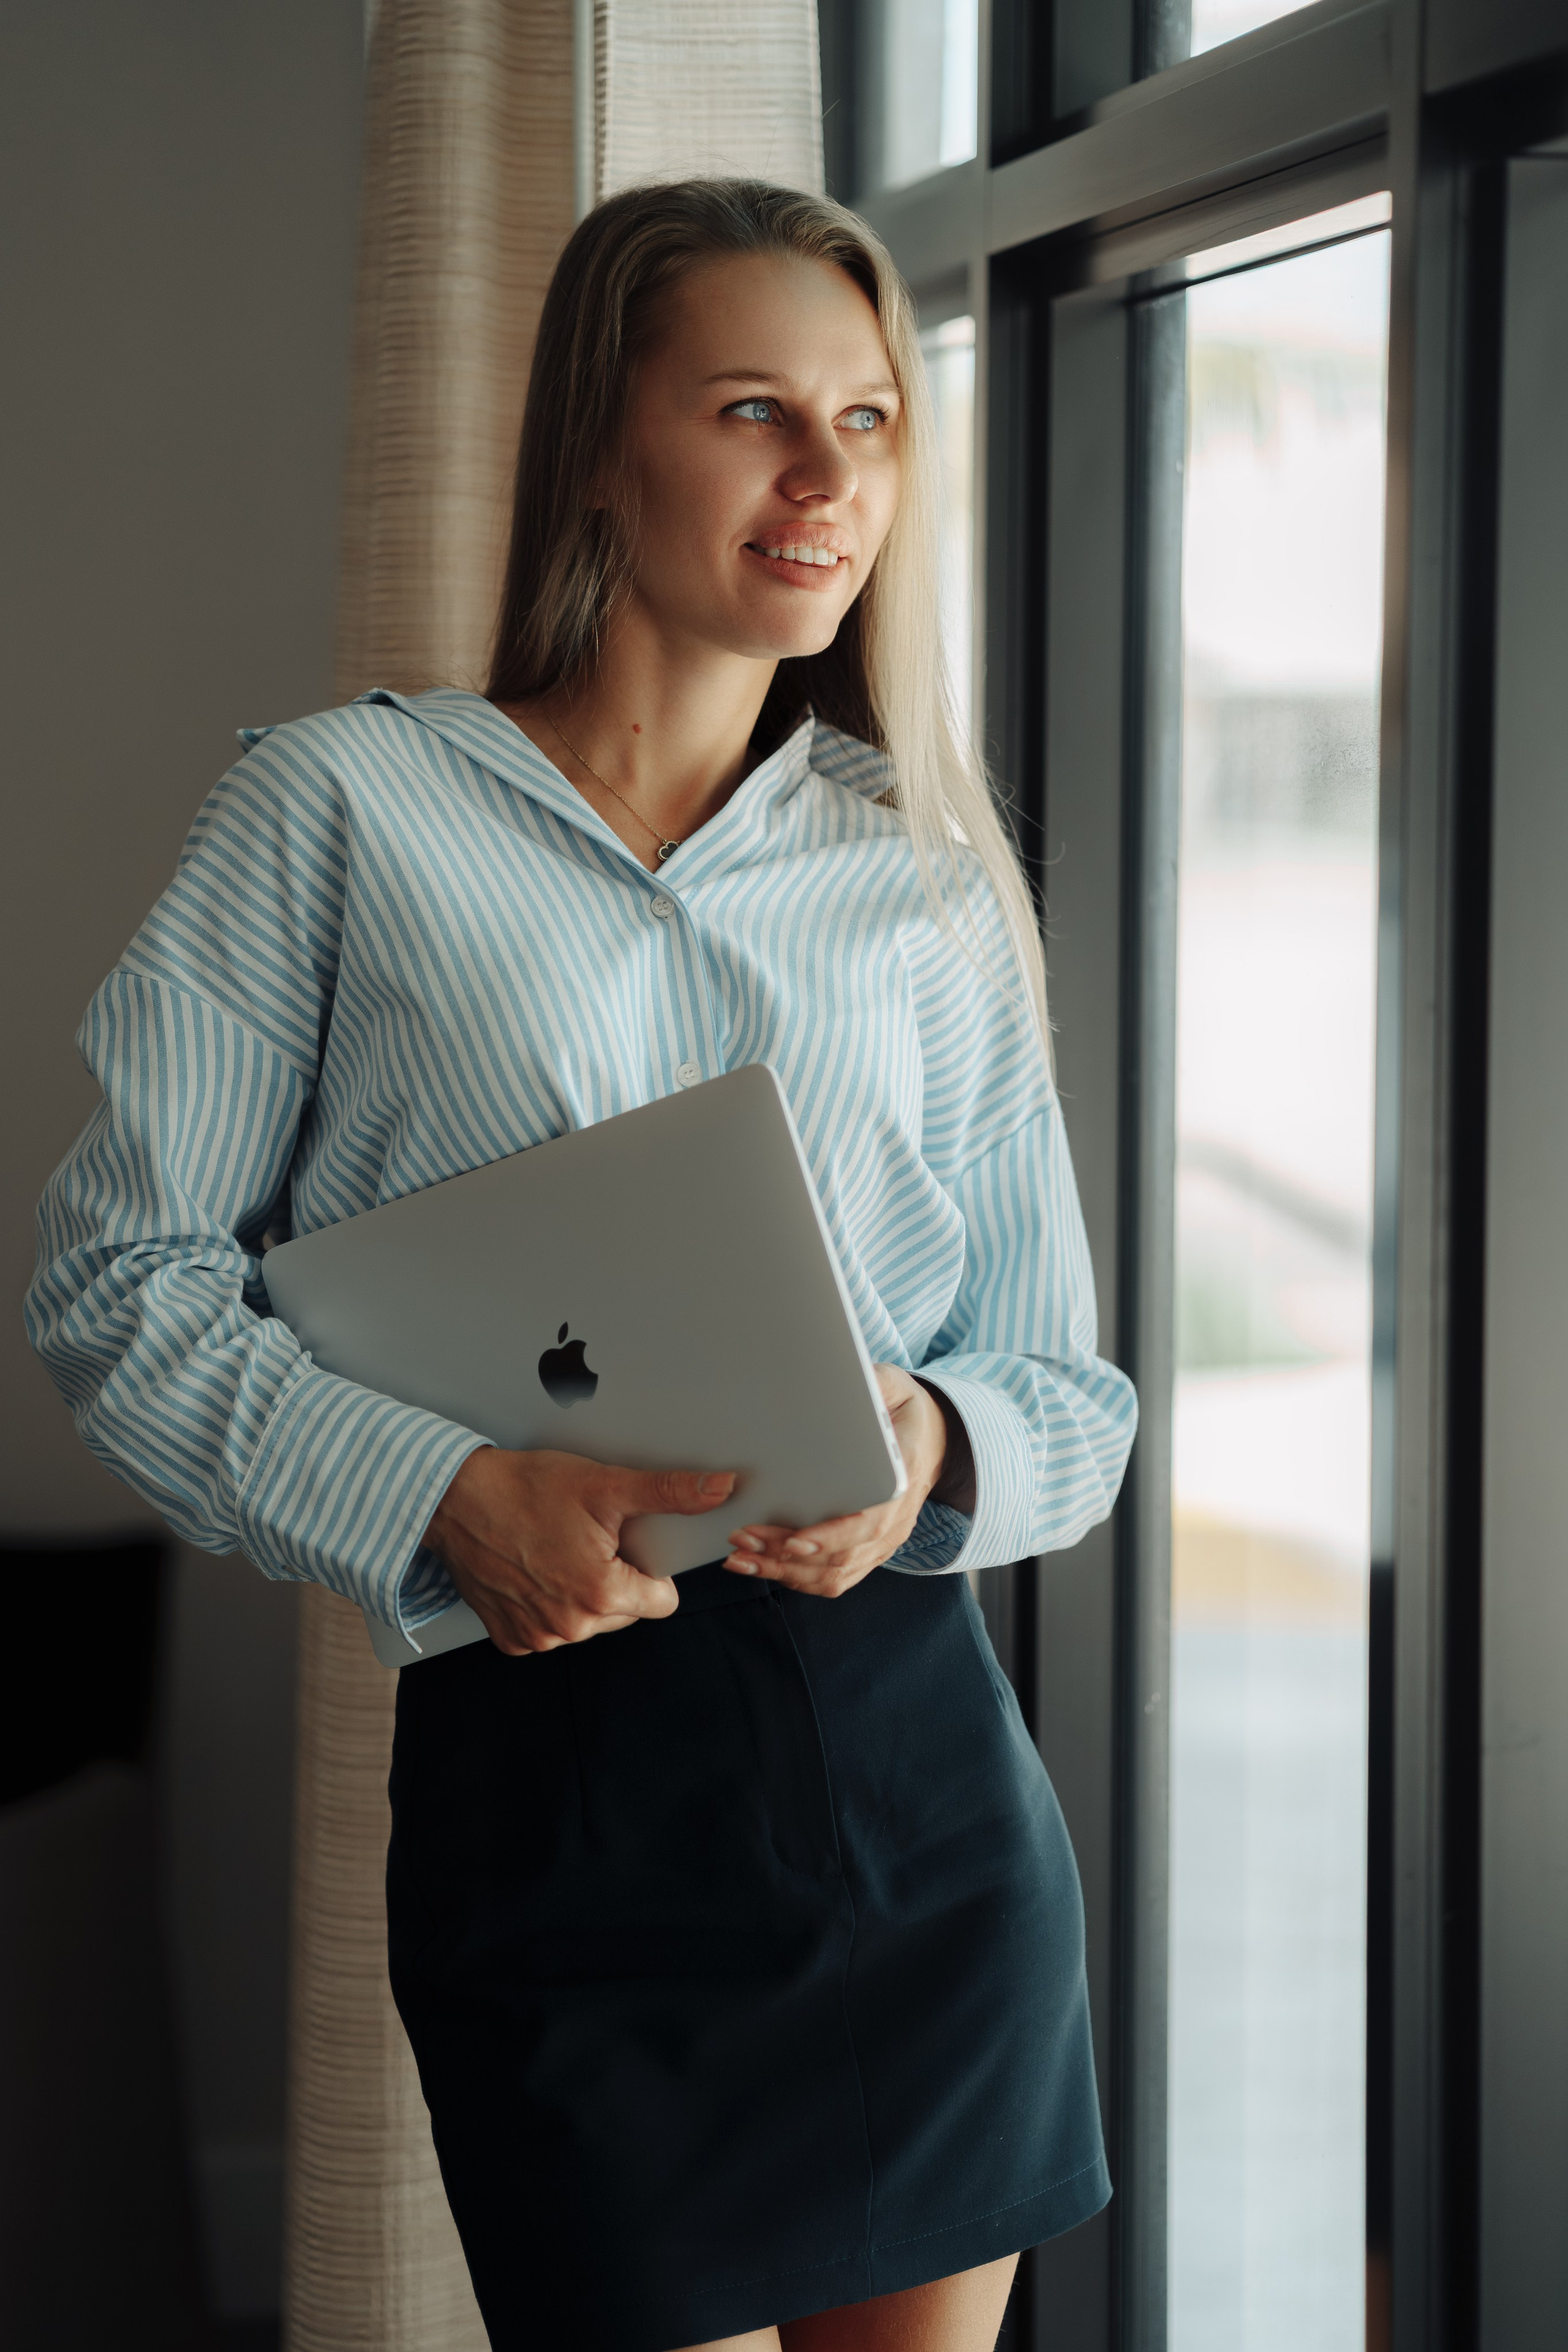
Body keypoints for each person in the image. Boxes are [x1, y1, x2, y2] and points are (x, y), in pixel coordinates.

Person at [28, 179, 1136, 2352]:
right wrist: (446, 1492)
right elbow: (118, 1284)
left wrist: (929, 1435)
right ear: (601, 443)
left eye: (873, 419)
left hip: (911, 1798)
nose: (829, 482)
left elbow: (1072, 1394)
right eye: (754, 411)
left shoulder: (925, 875)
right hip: (555, 1805)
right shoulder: (336, 814)